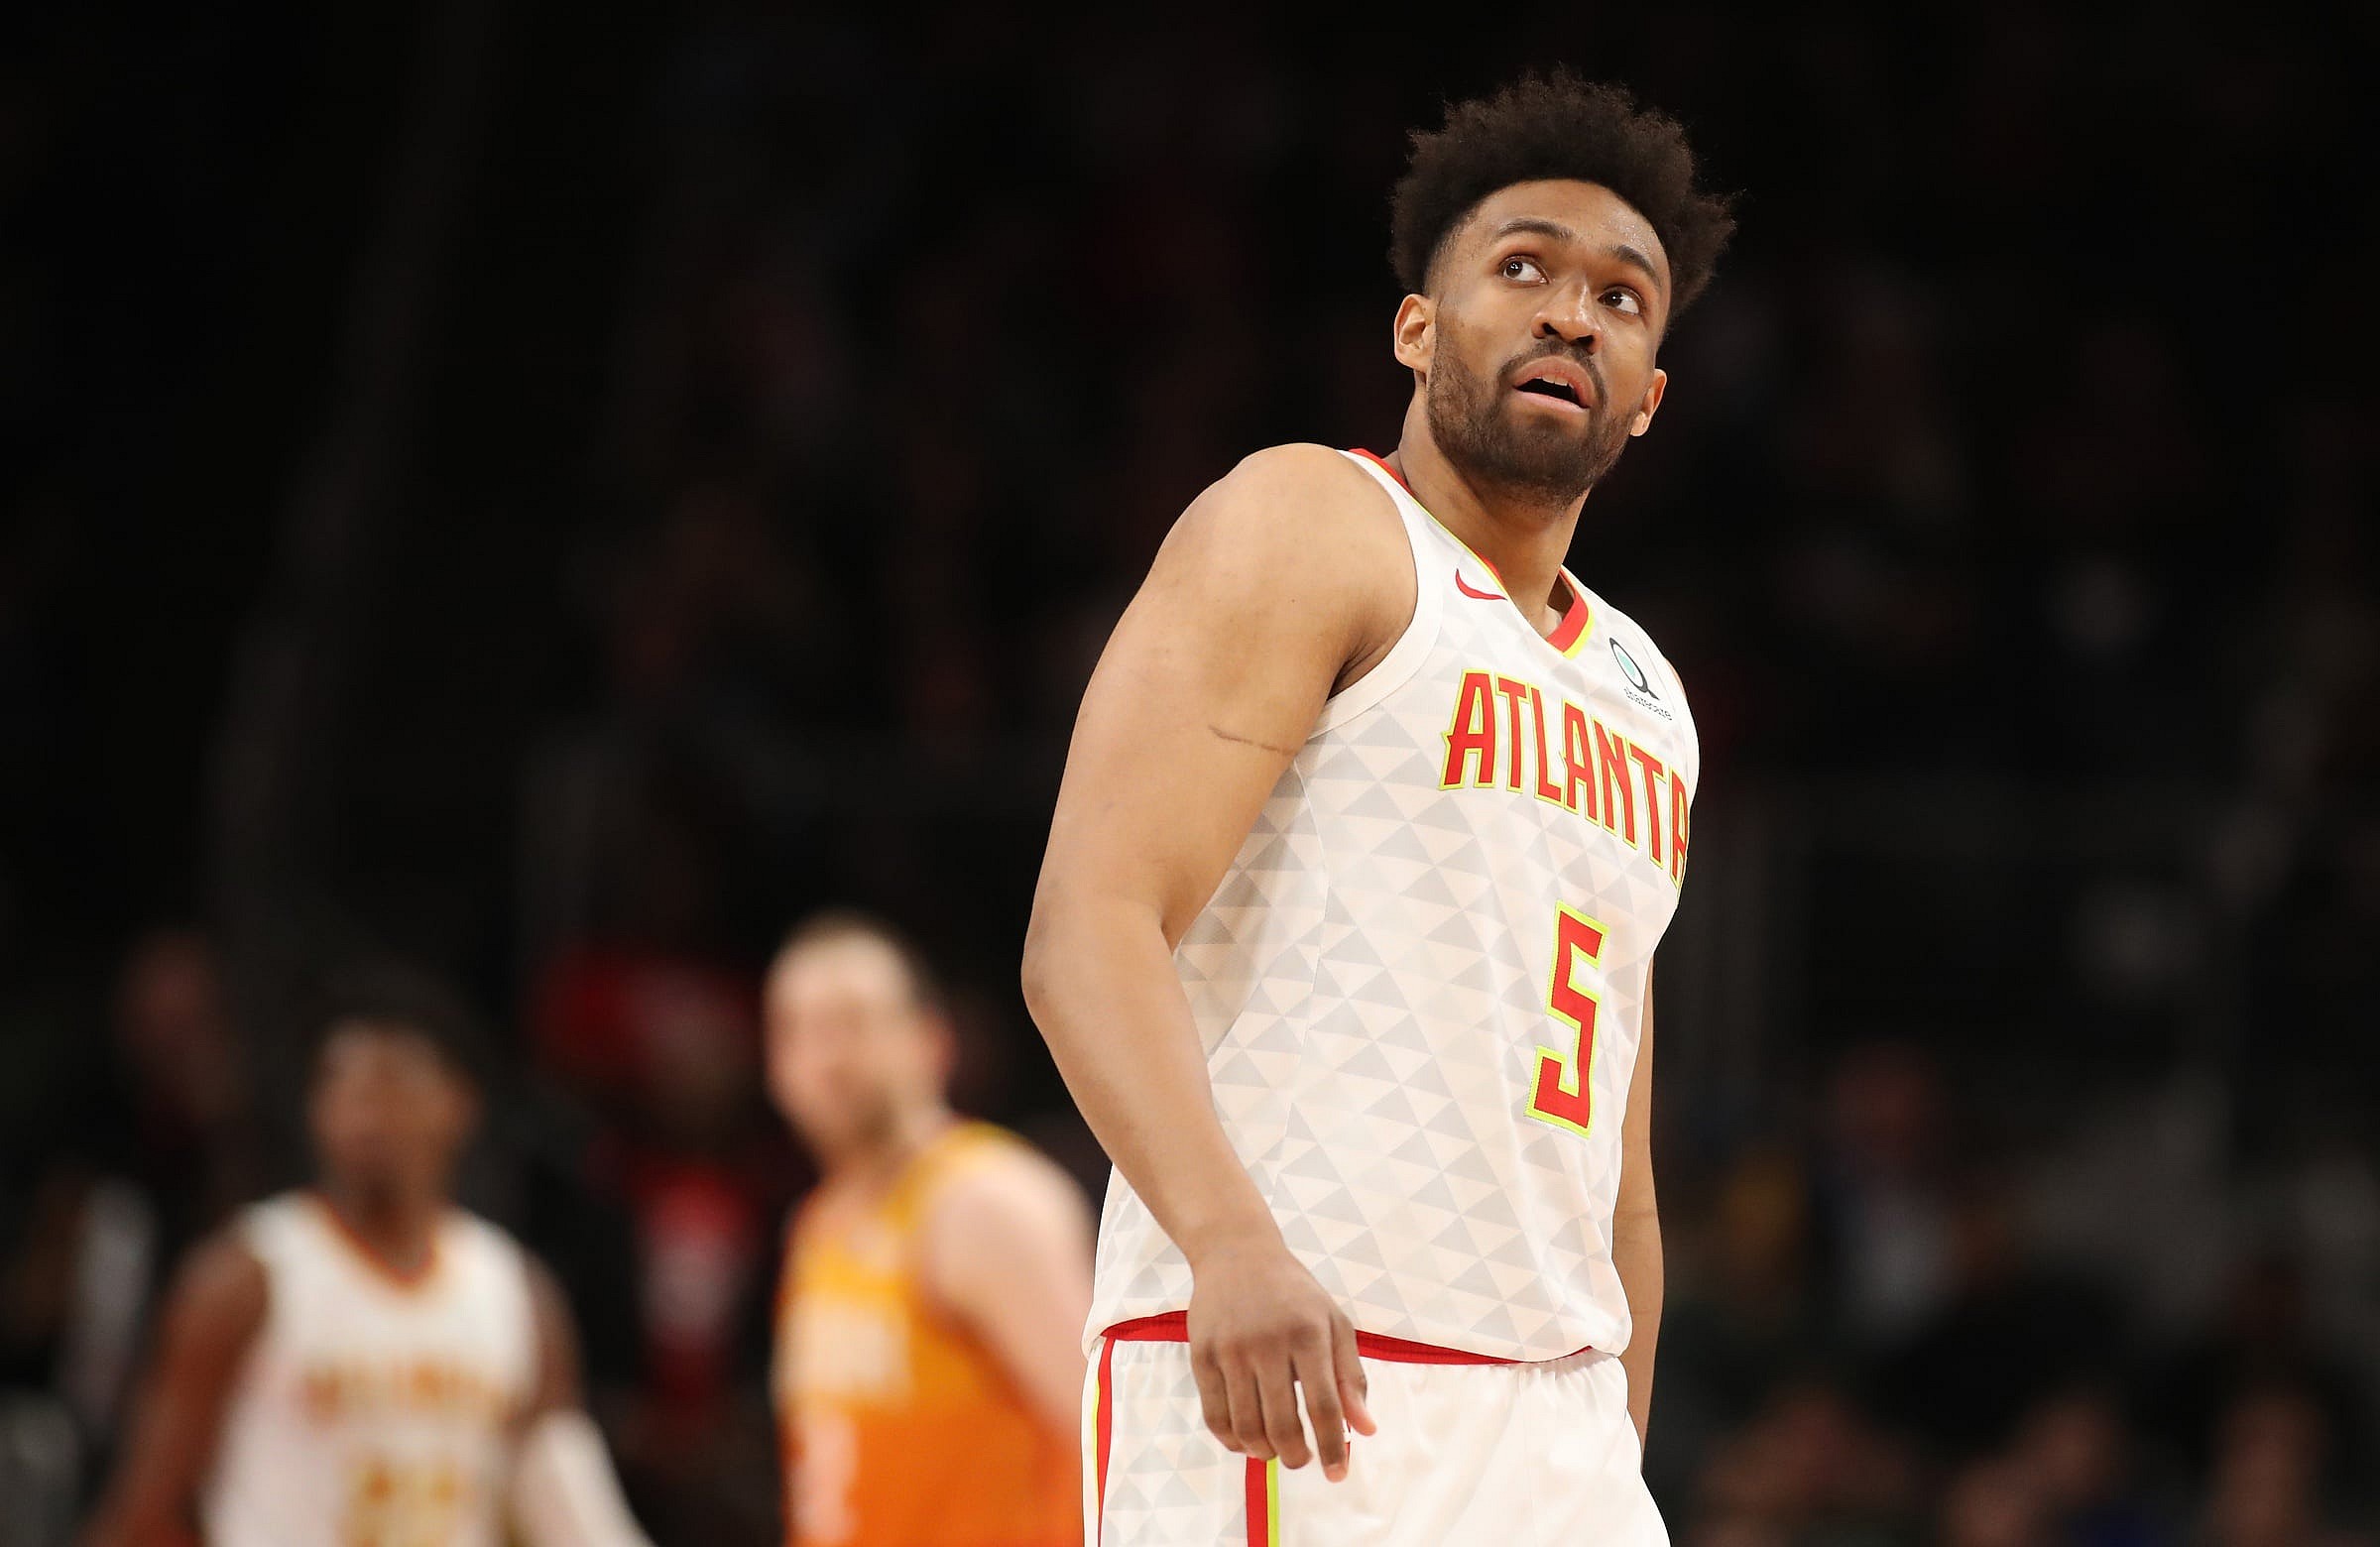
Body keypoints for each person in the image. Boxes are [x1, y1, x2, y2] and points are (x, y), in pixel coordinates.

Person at [1022, 71, 1735, 1545]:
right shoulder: (1314, 521)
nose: (1570, 314)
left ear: (1650, 396)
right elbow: (1089, 926)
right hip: (1293, 1365)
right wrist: (1226, 1245)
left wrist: (1616, 1440)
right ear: (1418, 328)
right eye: (1522, 268)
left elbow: (1623, 1169)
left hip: (1554, 1422)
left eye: (1622, 297)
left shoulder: (1649, 694)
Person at [82, 975, 652, 1547]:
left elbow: (573, 1518)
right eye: (339, 1080)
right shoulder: (247, 1275)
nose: (365, 1104)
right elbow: (147, 1510)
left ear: (459, 1104)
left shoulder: (518, 1294)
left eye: (392, 1078)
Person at [765, 911, 1091, 1547]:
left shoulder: (987, 1203)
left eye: (851, 1024)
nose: (824, 1057)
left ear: (931, 1041)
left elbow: (1112, 1436)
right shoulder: (814, 1226)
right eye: (795, 1031)